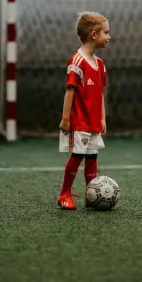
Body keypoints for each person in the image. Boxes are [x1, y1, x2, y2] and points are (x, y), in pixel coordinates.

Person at [57, 11, 111, 210]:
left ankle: (91, 195)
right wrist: (65, 120)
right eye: (106, 32)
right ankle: (64, 194)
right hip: (79, 120)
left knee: (92, 157)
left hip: (93, 121)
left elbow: (99, 94)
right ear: (94, 35)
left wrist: (102, 118)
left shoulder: (100, 65)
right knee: (77, 156)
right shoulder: (77, 62)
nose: (109, 37)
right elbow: (69, 92)